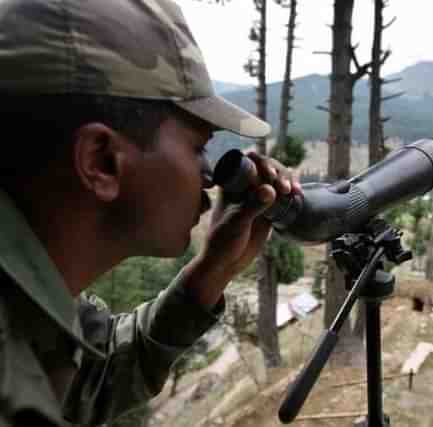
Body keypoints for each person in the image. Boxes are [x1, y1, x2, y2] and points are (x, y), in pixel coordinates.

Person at [0, 0, 300, 425]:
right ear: (102, 161)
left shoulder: (28, 306)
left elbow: (93, 375)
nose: (210, 178)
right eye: (198, 148)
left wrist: (212, 269)